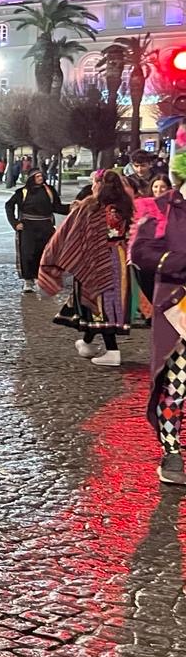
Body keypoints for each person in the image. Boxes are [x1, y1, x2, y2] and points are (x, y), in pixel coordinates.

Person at [38, 169, 135, 367]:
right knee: (108, 302)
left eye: (94, 183)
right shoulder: (125, 207)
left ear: (99, 185)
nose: (92, 186)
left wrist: (55, 256)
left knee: (99, 301)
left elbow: (70, 235)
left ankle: (112, 351)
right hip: (119, 257)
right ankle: (87, 342)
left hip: (96, 259)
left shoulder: (91, 207)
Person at [129, 152, 186, 485]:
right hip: (179, 308)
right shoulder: (158, 206)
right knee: (175, 385)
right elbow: (141, 252)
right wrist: (180, 260)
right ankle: (172, 452)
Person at [5, 170, 68, 294]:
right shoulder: (22, 192)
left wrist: (72, 208)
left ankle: (43, 279)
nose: (40, 178)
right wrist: (15, 223)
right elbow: (9, 206)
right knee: (28, 254)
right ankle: (28, 281)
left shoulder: (49, 191)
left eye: (41, 175)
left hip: (46, 226)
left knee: (46, 254)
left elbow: (57, 207)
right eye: (37, 176)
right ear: (31, 178)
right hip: (28, 227)